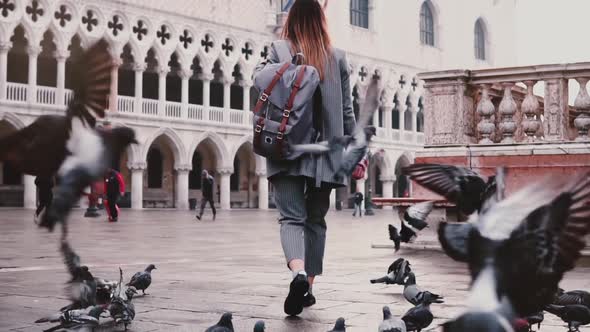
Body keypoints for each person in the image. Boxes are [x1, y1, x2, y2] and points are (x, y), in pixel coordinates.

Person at [253, 0, 364, 316]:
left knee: (290, 218)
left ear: (291, 20)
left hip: (286, 147)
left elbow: (258, 82)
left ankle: (298, 272)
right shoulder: (338, 58)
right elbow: (346, 112)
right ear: (321, 20)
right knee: (316, 220)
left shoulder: (278, 51)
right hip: (326, 154)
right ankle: (309, 288)